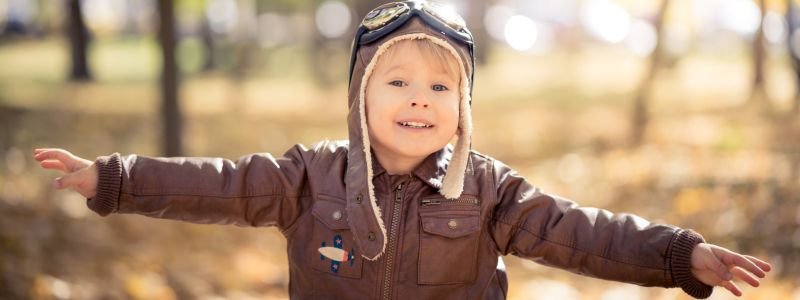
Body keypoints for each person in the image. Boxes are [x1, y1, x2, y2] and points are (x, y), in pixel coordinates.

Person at [34, 1, 770, 299]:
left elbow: (581, 232)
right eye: (398, 81)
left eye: (441, 89)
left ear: (464, 109)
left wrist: (678, 255)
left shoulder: (489, 191)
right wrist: (115, 178)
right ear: (360, 96)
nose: (420, 98)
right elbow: (218, 185)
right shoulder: (309, 176)